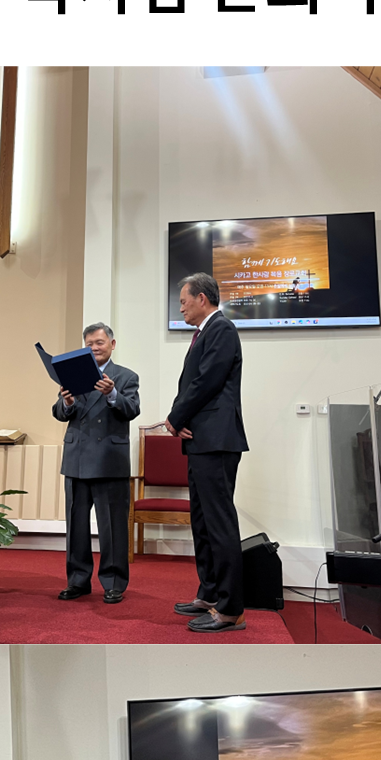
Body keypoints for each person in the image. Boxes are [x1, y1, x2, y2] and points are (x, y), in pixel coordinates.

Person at [165, 272, 248, 636]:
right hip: (201, 439)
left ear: (202, 299)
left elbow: (207, 381)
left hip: (217, 440)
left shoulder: (222, 329)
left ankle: (230, 610)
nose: (181, 308)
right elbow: (194, 383)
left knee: (219, 524)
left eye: (184, 301)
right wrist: (182, 419)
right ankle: (210, 594)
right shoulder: (204, 332)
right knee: (202, 522)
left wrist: (175, 417)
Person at [54, 322, 140, 605]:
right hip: (77, 459)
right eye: (89, 344)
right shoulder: (73, 374)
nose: (94, 348)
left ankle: (114, 583)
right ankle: (77, 581)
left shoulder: (126, 376)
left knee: (113, 527)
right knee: (76, 526)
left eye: (99, 343)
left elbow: (132, 409)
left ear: (112, 345)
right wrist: (67, 403)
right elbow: (59, 412)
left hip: (109, 461)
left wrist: (112, 395)